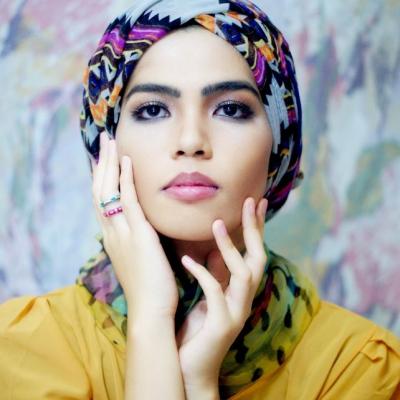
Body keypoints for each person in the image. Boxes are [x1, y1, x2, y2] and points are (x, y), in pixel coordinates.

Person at [0, 0, 399, 399]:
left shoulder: (359, 369)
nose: (191, 141)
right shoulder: (24, 351)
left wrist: (199, 384)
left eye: (231, 109)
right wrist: (151, 319)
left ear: (279, 147)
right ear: (107, 143)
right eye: (152, 110)